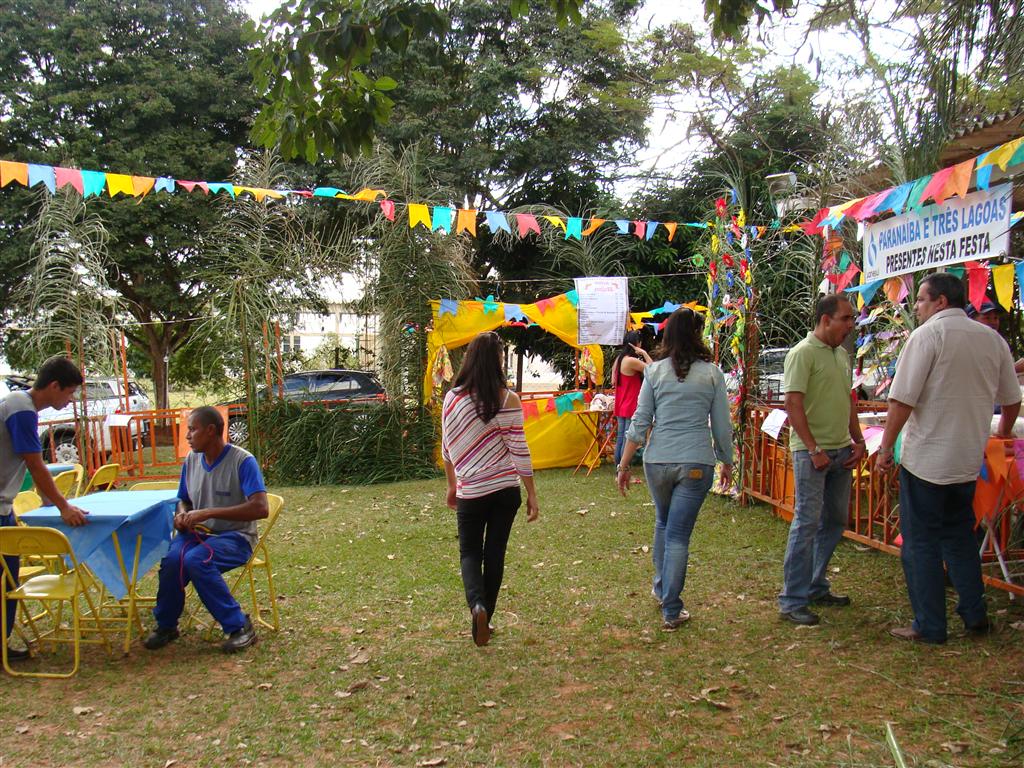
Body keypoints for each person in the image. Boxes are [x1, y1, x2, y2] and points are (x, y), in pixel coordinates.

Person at [877, 272, 1020, 644]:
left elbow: (901, 400)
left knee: (921, 542)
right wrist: (1003, 431)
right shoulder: (992, 339)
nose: (917, 307)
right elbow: (1012, 398)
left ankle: (930, 625)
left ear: (940, 301)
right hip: (966, 461)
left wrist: (885, 449)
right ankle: (975, 615)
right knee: (959, 538)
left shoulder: (926, 336)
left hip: (926, 459)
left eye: (921, 300)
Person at [616, 308, 733, 631]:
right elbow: (722, 425)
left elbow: (639, 425)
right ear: (697, 335)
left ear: (667, 336)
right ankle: (671, 606)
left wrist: (624, 464)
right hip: (696, 462)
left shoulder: (655, 373)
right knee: (678, 534)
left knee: (664, 524)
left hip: (658, 461)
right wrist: (727, 460)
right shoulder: (711, 374)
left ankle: (662, 589)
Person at [441, 332, 539, 647]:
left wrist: (452, 485)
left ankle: (477, 607)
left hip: (471, 491)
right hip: (505, 491)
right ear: (498, 361)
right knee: (494, 553)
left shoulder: (452, 399)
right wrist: (532, 494)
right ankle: (487, 620)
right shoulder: (507, 399)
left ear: (469, 359)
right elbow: (520, 451)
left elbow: (447, 449)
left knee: (470, 552)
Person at [143, 406, 268, 653]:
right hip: (197, 533)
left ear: (211, 431)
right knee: (172, 561)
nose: (187, 436)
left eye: (192, 430)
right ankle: (167, 625)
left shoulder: (243, 461)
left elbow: (260, 508)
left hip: (235, 537)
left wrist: (208, 512)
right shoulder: (191, 460)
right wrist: (182, 515)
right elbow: (184, 499)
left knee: (197, 560)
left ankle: (239, 626)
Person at [779, 294, 865, 627]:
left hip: (841, 451)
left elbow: (848, 400)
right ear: (825, 319)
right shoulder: (802, 354)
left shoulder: (841, 355)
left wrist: (858, 440)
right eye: (845, 318)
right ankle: (792, 599)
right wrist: (813, 449)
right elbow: (793, 404)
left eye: (851, 319)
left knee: (835, 520)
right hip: (811, 453)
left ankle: (815, 584)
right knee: (806, 523)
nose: (850, 325)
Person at [0, 356, 89, 661]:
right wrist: (64, 507)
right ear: (54, 386)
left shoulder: (20, 406)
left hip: (4, 506)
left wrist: (49, 497)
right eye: (69, 392)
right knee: (5, 579)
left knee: (8, 576)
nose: (71, 399)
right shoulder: (21, 408)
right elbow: (35, 464)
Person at [611, 330, 652, 466]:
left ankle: (619, 468)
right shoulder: (631, 361)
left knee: (621, 437)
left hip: (620, 402)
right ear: (637, 344)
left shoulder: (619, 359)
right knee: (628, 437)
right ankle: (622, 468)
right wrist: (644, 353)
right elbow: (654, 371)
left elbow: (612, 380)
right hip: (629, 403)